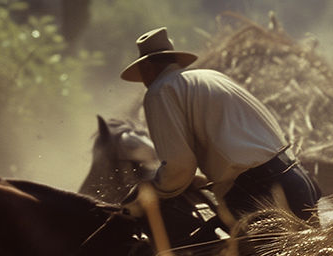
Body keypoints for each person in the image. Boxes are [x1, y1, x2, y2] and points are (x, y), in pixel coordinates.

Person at [119, 27, 321, 223]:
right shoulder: (212, 77)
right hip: (296, 178)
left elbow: (178, 165)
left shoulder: (160, 91)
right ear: (173, 59)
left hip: (258, 194)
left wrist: (153, 191)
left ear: (146, 68)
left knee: (208, 253)